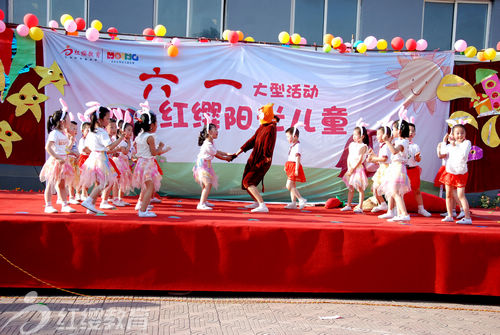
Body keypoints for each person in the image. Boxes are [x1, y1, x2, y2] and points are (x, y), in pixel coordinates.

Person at [231, 103, 278, 213]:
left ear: (266, 114)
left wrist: (266, 158)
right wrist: (236, 154)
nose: (259, 116)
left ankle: (262, 205)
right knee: (245, 181)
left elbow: (268, 145)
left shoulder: (271, 128)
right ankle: (257, 202)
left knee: (248, 181)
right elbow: (251, 141)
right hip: (254, 158)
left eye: (261, 114)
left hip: (262, 160)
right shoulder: (263, 126)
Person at [80, 106, 124, 214]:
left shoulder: (91, 131)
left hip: (94, 157)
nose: (109, 120)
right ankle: (89, 200)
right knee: (106, 182)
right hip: (100, 159)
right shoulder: (102, 132)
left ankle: (90, 208)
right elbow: (109, 147)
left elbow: (91, 148)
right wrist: (121, 139)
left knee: (99, 183)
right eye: (108, 118)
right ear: (100, 119)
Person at [132, 111, 170, 217]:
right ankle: (143, 211)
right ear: (151, 125)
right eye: (156, 123)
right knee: (149, 187)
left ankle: (142, 206)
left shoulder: (139, 136)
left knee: (147, 186)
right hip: (147, 164)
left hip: (141, 163)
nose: (157, 125)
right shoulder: (150, 137)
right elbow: (154, 153)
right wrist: (161, 147)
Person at [39, 109, 76, 213]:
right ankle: (48, 205)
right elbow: (48, 147)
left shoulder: (63, 133)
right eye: (68, 119)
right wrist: (57, 157)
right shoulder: (54, 133)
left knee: (62, 184)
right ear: (62, 122)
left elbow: (65, 149)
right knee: (50, 184)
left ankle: (64, 204)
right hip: (56, 162)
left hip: (64, 162)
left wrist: (71, 146)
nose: (70, 121)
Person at [193, 123, 233, 210]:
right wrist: (227, 158)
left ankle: (204, 200)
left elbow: (217, 151)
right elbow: (217, 155)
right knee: (207, 184)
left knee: (207, 184)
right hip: (202, 166)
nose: (217, 131)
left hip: (207, 166)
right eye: (215, 130)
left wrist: (226, 154)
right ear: (209, 132)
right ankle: (201, 204)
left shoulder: (211, 142)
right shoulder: (207, 145)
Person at [378, 120, 412, 221]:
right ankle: (400, 214)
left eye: (394, 129)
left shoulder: (403, 142)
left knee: (395, 192)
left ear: (400, 130)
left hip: (398, 168)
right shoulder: (401, 141)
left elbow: (394, 151)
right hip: (395, 167)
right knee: (396, 192)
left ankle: (404, 214)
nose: (392, 131)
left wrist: (387, 141)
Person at [439, 124, 472, 224]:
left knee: (460, 195)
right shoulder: (449, 145)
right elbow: (442, 153)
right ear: (452, 134)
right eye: (457, 133)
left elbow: (463, 155)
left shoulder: (467, 143)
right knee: (448, 195)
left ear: (465, 134)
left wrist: (454, 145)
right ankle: (449, 215)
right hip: (450, 172)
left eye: (462, 133)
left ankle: (467, 217)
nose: (460, 135)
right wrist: (444, 142)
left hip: (461, 173)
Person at [340, 126, 369, 213]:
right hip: (351, 168)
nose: (353, 137)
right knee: (350, 188)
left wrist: (353, 168)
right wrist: (349, 168)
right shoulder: (352, 144)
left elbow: (360, 159)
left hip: (358, 169)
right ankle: (348, 205)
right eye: (353, 135)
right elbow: (349, 156)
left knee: (360, 188)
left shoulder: (363, 146)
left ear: (362, 136)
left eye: (355, 135)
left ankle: (360, 206)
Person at [407, 123, 432, 217]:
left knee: (416, 190)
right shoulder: (399, 143)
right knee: (399, 191)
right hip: (402, 170)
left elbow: (418, 159)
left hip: (413, 170)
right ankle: (396, 209)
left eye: (413, 131)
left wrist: (417, 157)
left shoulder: (415, 146)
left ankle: (421, 208)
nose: (410, 132)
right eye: (409, 130)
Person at [367, 126, 391, 213]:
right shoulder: (383, 146)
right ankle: (382, 204)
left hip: (386, 170)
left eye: (378, 134)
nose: (376, 136)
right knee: (375, 188)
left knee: (383, 189)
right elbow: (381, 160)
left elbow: (384, 159)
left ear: (385, 135)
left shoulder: (386, 146)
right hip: (382, 169)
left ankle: (391, 207)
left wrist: (373, 158)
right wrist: (373, 157)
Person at [283, 127, 307, 209]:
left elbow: (297, 157)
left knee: (288, 185)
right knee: (292, 185)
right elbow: (290, 157)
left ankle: (301, 199)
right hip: (290, 166)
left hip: (294, 166)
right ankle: (293, 203)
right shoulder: (293, 145)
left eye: (288, 136)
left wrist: (296, 169)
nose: (287, 139)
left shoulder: (298, 145)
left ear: (295, 136)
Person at [111, 121, 134, 206]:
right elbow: (125, 152)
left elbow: (130, 153)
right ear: (122, 131)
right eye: (128, 130)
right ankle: (115, 198)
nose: (130, 132)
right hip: (119, 162)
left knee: (124, 181)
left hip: (125, 163)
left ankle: (120, 198)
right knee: (117, 181)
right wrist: (128, 144)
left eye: (131, 130)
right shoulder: (121, 141)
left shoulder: (129, 141)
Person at [76, 122, 91, 201]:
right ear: (82, 131)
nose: (89, 132)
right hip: (83, 159)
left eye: (90, 130)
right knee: (81, 178)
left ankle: (84, 193)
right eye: (87, 130)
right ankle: (78, 193)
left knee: (88, 178)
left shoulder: (91, 140)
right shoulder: (82, 140)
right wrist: (92, 151)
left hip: (90, 159)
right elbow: (84, 149)